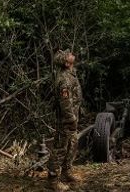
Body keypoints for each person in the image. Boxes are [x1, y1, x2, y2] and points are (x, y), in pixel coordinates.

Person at [48, 49, 82, 184]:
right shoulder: (64, 79)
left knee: (72, 145)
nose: (71, 54)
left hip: (72, 118)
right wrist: (71, 118)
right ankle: (53, 180)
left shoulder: (71, 75)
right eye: (68, 55)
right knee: (61, 148)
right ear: (67, 63)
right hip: (66, 119)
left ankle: (66, 172)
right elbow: (65, 102)